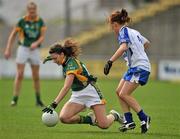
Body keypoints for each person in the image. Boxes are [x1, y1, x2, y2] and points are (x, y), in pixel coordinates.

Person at [42, 38, 124, 129]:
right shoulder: (65, 60)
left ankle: (114, 115)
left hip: (90, 92)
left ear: (62, 54)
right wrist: (50, 58)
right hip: (77, 94)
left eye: (55, 58)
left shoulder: (71, 64)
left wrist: (54, 103)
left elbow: (66, 86)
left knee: (104, 125)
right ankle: (90, 119)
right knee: (64, 117)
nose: (54, 61)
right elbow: (56, 57)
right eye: (52, 59)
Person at [104, 9, 151, 133]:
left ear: (115, 24)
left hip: (139, 67)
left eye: (112, 27)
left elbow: (123, 47)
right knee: (119, 91)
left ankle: (144, 117)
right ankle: (129, 121)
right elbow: (147, 43)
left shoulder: (122, 31)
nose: (112, 30)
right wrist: (136, 53)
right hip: (135, 67)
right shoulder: (133, 31)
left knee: (124, 94)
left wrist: (110, 61)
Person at [4, 1, 46, 107]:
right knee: (20, 74)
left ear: (36, 10)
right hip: (23, 49)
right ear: (27, 10)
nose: (32, 12)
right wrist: (8, 49)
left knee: (36, 76)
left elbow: (42, 37)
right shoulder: (22, 21)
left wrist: (36, 43)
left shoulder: (40, 21)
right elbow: (13, 35)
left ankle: (38, 99)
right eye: (30, 10)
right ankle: (14, 99)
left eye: (34, 10)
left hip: (35, 50)